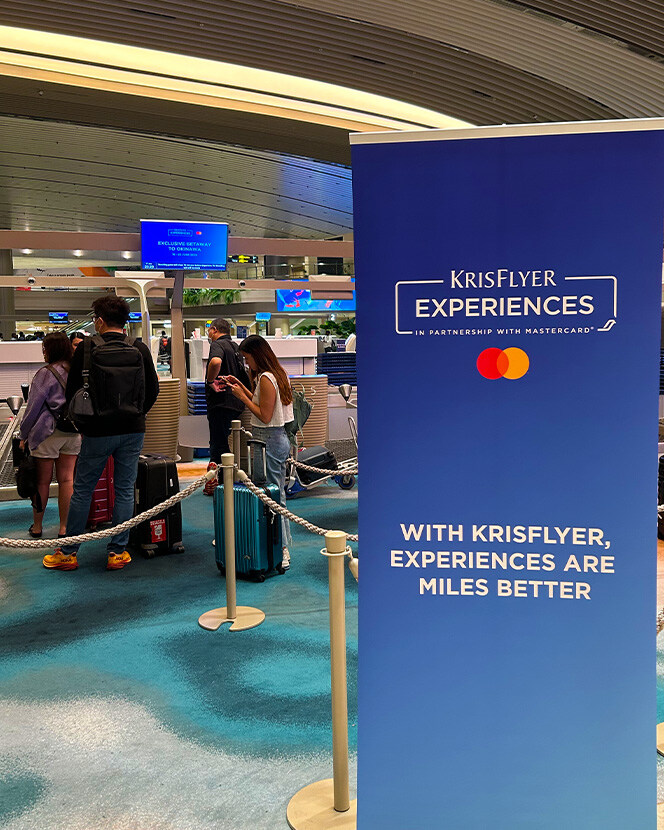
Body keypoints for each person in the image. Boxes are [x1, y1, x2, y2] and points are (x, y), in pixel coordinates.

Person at [42, 295, 159, 572]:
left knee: (82, 490)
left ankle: (69, 552)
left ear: (100, 321)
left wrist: (85, 425)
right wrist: (138, 415)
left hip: (96, 431)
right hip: (132, 430)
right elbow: (152, 389)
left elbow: (72, 394)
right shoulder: (139, 348)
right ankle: (117, 552)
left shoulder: (85, 348)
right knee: (124, 489)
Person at [224, 334, 293, 570]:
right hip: (273, 440)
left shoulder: (266, 378)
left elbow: (263, 415)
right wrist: (242, 385)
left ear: (256, 355)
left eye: (247, 358)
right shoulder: (275, 374)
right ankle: (276, 545)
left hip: (269, 441)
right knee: (272, 494)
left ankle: (282, 548)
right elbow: (264, 403)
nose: (246, 363)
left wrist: (241, 396)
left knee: (274, 496)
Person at [19, 332, 81, 538]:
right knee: (67, 481)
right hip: (73, 432)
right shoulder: (77, 371)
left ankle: (37, 527)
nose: (43, 353)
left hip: (48, 433)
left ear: (51, 350)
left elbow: (33, 408)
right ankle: (64, 528)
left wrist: (23, 435)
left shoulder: (45, 373)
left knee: (42, 482)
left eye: (44, 349)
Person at [204, 317, 248, 496]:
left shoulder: (217, 345)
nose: (209, 334)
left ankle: (217, 482)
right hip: (237, 402)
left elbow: (215, 362)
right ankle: (223, 480)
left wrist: (210, 381)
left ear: (214, 330)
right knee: (222, 440)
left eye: (209, 330)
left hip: (221, 401)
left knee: (218, 442)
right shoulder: (235, 347)